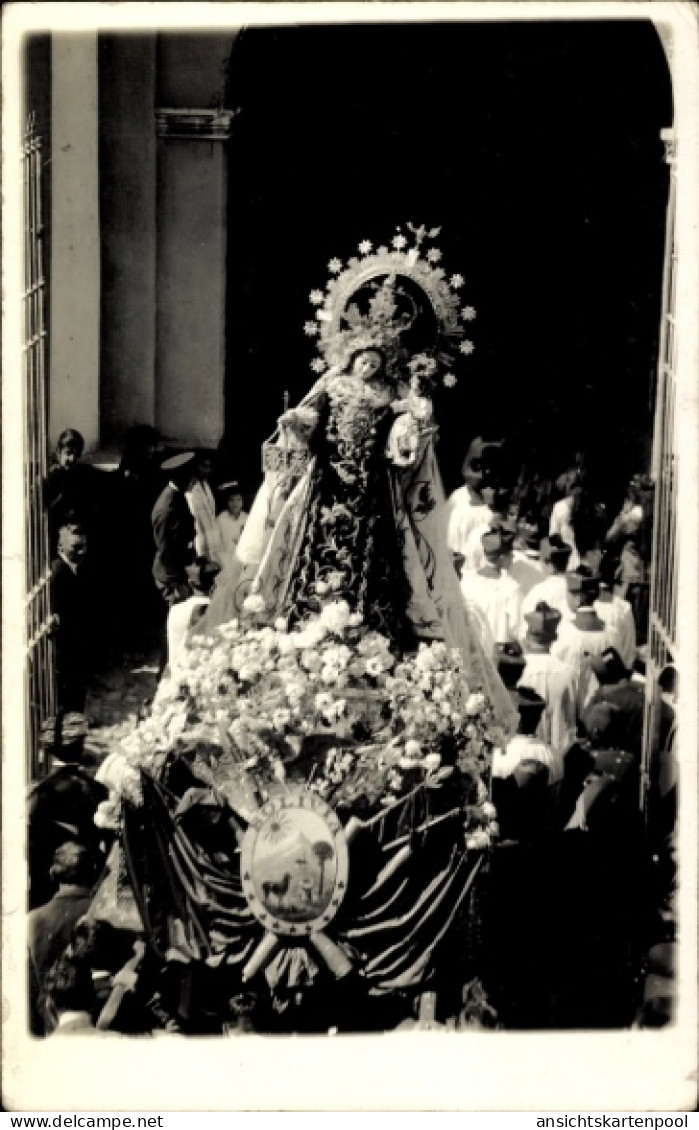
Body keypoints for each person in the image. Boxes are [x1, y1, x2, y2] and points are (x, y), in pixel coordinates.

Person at [198, 330, 516, 728]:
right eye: (363, 360)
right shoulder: (333, 383)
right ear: (350, 359)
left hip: (372, 492)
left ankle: (375, 633)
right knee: (308, 550)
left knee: (379, 558)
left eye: (376, 363)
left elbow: (407, 429)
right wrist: (297, 422)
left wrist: (413, 418)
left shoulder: (389, 392)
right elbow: (312, 415)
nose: (369, 368)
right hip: (327, 485)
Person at [28, 842, 99, 1035]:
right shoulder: (101, 914)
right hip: (97, 1024)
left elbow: (29, 990)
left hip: (50, 1027)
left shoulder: (33, 920)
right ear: (93, 871)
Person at [551, 566, 618, 717]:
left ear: (577, 599)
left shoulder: (564, 632)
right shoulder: (612, 633)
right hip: (602, 713)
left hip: (571, 711)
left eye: (568, 593)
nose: (566, 597)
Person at [520, 602, 577, 758]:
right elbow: (571, 721)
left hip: (523, 755)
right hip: (558, 757)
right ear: (554, 637)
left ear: (527, 635)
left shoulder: (518, 669)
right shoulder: (567, 672)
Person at [50, 523, 95, 713]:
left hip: (76, 645)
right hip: (64, 647)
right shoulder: (57, 572)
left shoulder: (77, 568)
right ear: (61, 547)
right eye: (76, 547)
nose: (82, 551)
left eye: (84, 546)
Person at [604, 473, 654, 646]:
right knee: (642, 625)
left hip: (630, 576)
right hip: (647, 575)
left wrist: (623, 513)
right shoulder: (656, 512)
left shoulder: (634, 515)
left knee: (625, 622)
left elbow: (610, 537)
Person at [459, 527, 522, 645]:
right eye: (511, 556)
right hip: (497, 654)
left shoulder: (465, 582)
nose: (512, 559)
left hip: (470, 649)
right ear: (503, 558)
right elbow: (517, 629)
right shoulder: (511, 589)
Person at [151, 452, 198, 607]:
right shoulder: (166, 508)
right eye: (191, 479)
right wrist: (175, 581)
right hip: (170, 576)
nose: (194, 483)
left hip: (180, 570)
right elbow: (165, 548)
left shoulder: (178, 496)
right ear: (180, 478)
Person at [44, 428, 102, 548]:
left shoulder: (81, 472)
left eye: (76, 455)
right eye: (68, 453)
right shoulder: (51, 477)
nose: (72, 459)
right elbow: (48, 510)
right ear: (58, 452)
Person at [166, 559, 219, 672]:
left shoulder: (174, 609)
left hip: (173, 678)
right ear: (215, 586)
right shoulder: (210, 610)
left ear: (190, 583)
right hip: (196, 679)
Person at [549, 469, 604, 572]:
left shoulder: (559, 507)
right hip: (586, 569)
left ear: (569, 487)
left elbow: (553, 539)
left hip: (564, 565)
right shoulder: (596, 512)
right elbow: (597, 546)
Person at [520, 534, 574, 628]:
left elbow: (525, 624)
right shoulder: (575, 589)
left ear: (548, 563)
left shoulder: (538, 591)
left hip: (547, 640)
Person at [594, 554, 637, 670]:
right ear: (618, 573)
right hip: (616, 674)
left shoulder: (589, 604)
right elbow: (629, 650)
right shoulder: (623, 609)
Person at [185, 450, 225, 570]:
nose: (207, 470)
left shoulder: (206, 485)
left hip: (211, 533)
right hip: (198, 534)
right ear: (197, 466)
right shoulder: (191, 488)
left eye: (209, 467)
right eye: (203, 466)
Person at [216, 483, 248, 561]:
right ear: (227, 501)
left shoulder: (247, 518)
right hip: (224, 559)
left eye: (238, 499)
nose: (235, 503)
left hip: (242, 558)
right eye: (231, 500)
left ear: (242, 501)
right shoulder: (220, 519)